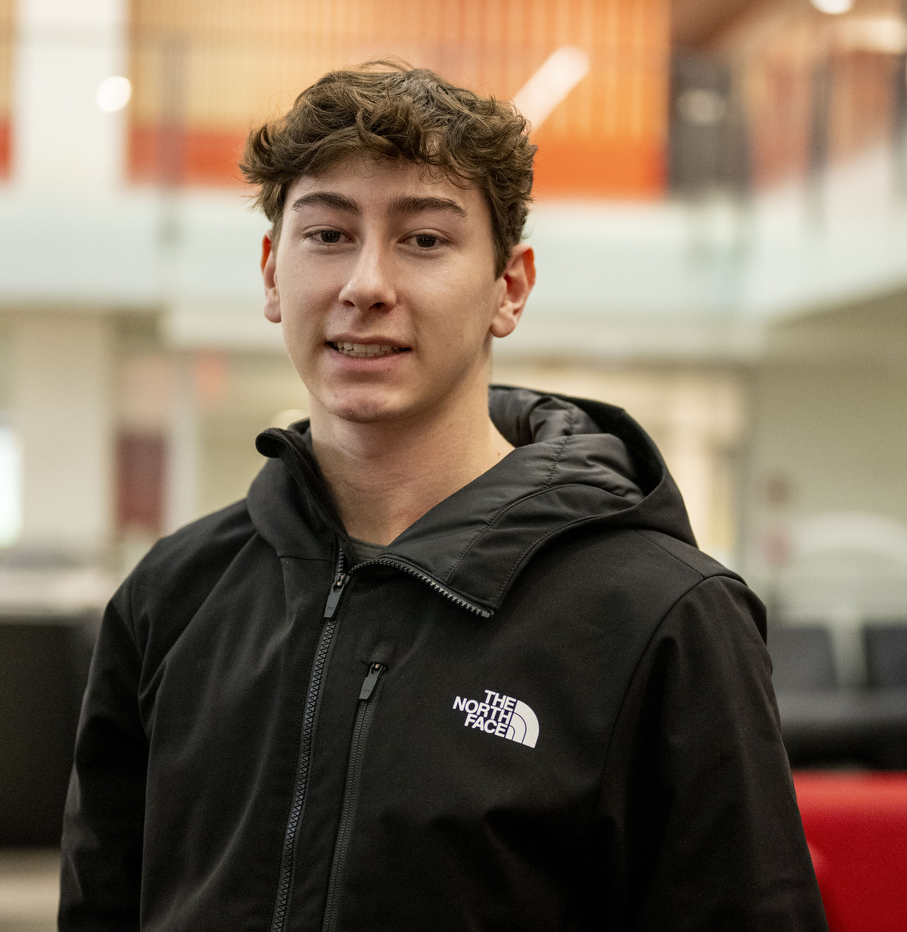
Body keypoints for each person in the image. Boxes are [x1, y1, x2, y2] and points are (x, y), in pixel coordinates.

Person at [59, 63, 827, 932]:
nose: (366, 285)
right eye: (327, 236)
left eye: (424, 240)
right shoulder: (173, 593)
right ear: (273, 273)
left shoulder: (662, 618)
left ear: (510, 287)